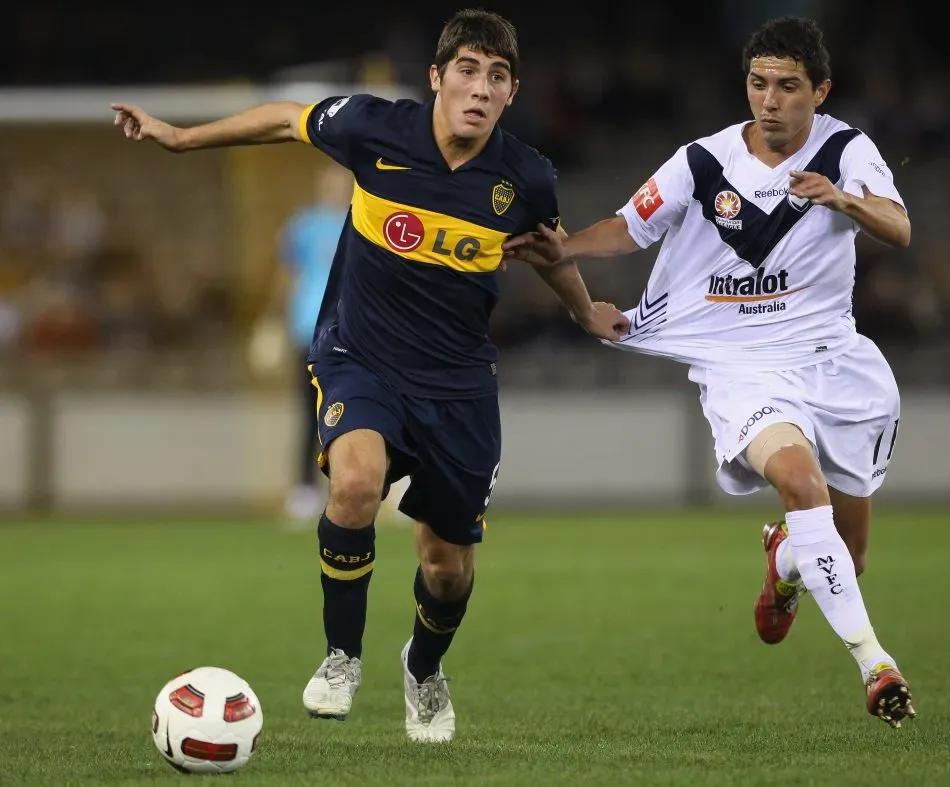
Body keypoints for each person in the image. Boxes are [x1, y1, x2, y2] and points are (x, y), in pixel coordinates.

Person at [112, 9, 627, 743]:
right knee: (354, 483)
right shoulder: (372, 128)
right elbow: (286, 119)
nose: (481, 88)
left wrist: (585, 312)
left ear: (511, 93)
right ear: (438, 79)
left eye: (498, 76)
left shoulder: (527, 176)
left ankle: (423, 666)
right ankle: (341, 656)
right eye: (469, 70)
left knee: (446, 567)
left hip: (457, 384)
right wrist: (181, 137)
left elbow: (546, 250)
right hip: (362, 354)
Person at [503, 16, 916, 728]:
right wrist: (564, 249)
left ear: (820, 90)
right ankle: (876, 663)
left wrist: (841, 197)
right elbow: (629, 225)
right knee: (799, 481)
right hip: (741, 367)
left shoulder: (848, 149)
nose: (771, 100)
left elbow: (900, 227)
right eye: (759, 83)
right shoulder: (704, 162)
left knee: (847, 553)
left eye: (789, 86)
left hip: (833, 363)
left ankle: (788, 557)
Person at [279, 165, 350, 523]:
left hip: (351, 332)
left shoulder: (361, 223)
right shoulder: (303, 225)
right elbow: (289, 276)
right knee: (310, 414)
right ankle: (304, 490)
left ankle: (361, 486)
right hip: (308, 329)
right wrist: (275, 324)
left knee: (354, 412)